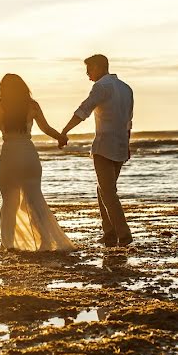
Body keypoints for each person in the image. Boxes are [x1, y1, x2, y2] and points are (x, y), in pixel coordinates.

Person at [0, 74, 74, 252]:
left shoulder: (0, 105)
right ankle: (45, 241)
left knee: (9, 202)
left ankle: (8, 243)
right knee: (35, 200)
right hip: (28, 156)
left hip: (10, 155)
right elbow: (46, 128)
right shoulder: (32, 105)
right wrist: (60, 137)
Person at [60, 55, 134, 247]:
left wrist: (65, 131)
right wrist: (127, 145)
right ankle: (109, 233)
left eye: (90, 68)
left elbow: (84, 110)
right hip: (119, 146)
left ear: (100, 67)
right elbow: (128, 121)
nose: (87, 73)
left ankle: (123, 235)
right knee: (104, 189)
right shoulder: (126, 89)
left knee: (108, 192)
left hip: (104, 146)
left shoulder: (101, 87)